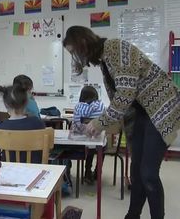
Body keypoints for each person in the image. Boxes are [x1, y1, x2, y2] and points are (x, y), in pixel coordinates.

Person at [63, 25, 180, 219]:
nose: (76, 58)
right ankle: (132, 216)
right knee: (136, 172)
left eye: (74, 52)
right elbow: (121, 102)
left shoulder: (115, 48)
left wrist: (99, 123)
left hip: (161, 109)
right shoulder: (104, 62)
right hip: (143, 115)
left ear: (82, 43)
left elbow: (125, 95)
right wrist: (101, 125)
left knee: (149, 174)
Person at [0, 85, 52, 219]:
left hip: (9, 180)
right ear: (26, 102)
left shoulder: (0, 128)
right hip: (37, 178)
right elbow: (48, 149)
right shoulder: (38, 123)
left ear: (6, 105)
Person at [71, 85, 105, 184]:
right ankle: (98, 172)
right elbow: (103, 123)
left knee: (89, 147)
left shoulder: (78, 106)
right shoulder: (101, 106)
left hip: (81, 141)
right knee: (101, 147)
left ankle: (87, 172)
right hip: (97, 138)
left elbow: (76, 123)